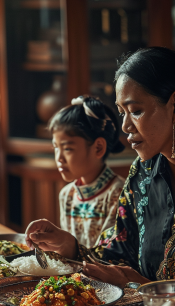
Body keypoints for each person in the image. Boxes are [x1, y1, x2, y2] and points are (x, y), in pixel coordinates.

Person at [25, 47, 175, 288]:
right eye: (121, 112)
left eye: (136, 111)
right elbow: (120, 250)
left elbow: (137, 281)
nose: (126, 126)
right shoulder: (143, 173)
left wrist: (144, 287)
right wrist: (69, 246)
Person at [49, 96, 125, 248]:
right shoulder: (67, 195)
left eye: (67, 149)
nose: (59, 158)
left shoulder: (119, 194)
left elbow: (110, 256)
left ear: (98, 148)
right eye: (56, 147)